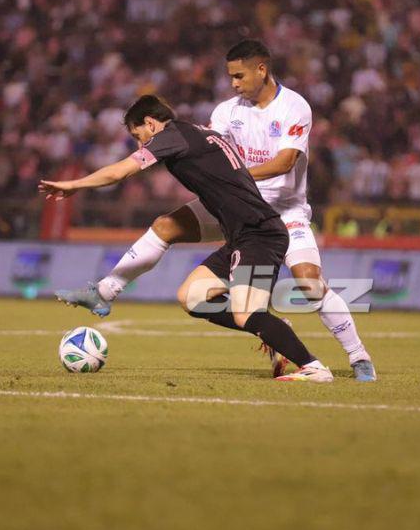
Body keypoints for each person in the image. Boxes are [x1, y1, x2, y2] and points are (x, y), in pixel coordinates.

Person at [55, 40, 376, 381]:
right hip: (235, 210)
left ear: (261, 70)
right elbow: (212, 152)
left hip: (280, 210)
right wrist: (224, 181)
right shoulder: (226, 112)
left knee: (309, 284)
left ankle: (357, 358)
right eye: (230, 77)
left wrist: (230, 179)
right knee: (171, 238)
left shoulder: (294, 107)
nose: (234, 83)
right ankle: (106, 291)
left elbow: (285, 162)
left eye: (239, 76)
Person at [39, 95, 334, 382]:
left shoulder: (171, 136)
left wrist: (75, 185)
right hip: (239, 233)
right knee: (193, 297)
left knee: (247, 312)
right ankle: (268, 327)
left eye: (138, 134)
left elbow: (121, 171)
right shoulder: (195, 133)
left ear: (152, 123)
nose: (140, 143)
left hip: (259, 232)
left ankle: (313, 367)